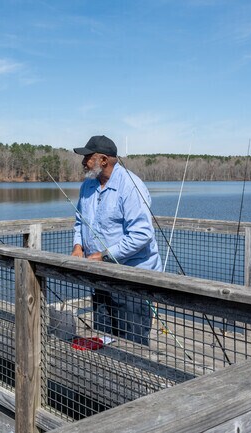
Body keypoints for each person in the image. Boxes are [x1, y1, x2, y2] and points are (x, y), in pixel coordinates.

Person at [71, 135, 162, 345]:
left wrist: (104, 255)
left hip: (132, 280)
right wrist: (78, 246)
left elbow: (142, 234)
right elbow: (79, 221)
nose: (83, 162)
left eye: (88, 157)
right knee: (104, 340)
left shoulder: (130, 186)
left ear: (103, 160)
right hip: (101, 277)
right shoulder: (88, 186)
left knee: (133, 344)